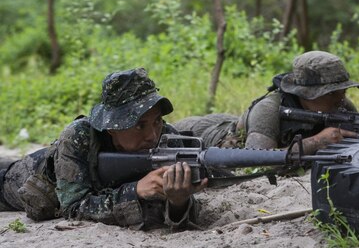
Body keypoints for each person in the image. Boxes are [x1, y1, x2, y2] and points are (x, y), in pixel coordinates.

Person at [0, 68, 207, 230]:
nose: (152, 135)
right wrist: (134, 190)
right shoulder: (79, 136)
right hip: (27, 178)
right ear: (111, 128)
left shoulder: (167, 140)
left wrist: (178, 201)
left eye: (157, 121)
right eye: (139, 125)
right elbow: (72, 209)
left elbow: (184, 216)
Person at [174, 50, 359, 154]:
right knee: (170, 135)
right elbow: (255, 160)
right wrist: (316, 142)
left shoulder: (341, 106)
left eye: (343, 91)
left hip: (241, 123)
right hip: (211, 134)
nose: (341, 98)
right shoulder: (269, 109)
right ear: (307, 93)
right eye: (331, 93)